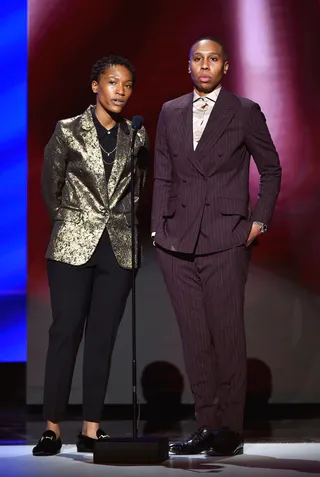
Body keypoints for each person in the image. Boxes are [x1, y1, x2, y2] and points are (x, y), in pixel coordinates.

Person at [151, 37, 281, 456]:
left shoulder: (243, 111)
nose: (205, 66)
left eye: (214, 59)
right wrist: (157, 230)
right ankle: (206, 424)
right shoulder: (171, 111)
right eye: (198, 59)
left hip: (226, 237)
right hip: (177, 242)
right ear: (188, 65)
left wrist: (258, 220)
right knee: (194, 338)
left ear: (226, 67)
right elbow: (163, 176)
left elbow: (272, 168)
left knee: (226, 336)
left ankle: (230, 429)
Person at [33, 55, 148, 456]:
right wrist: (72, 224)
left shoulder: (136, 135)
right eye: (113, 82)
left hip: (118, 249)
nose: (121, 90)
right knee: (65, 333)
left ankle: (91, 427)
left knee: (103, 338)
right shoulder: (67, 131)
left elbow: (137, 190)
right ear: (95, 86)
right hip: (71, 243)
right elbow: (52, 187)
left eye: (128, 84)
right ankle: (51, 427)